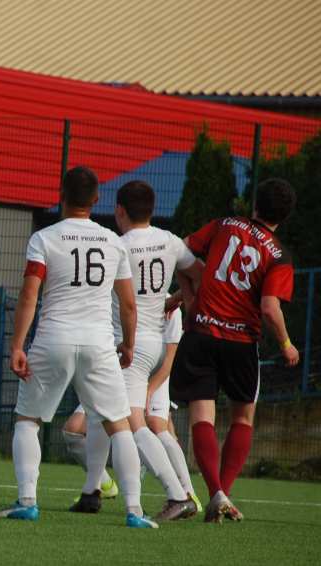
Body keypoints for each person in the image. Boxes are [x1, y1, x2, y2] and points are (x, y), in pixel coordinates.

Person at [0, 166, 157, 528]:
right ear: (97, 200)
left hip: (53, 339)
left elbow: (30, 294)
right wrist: (128, 345)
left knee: (28, 420)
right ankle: (135, 511)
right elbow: (129, 304)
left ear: (61, 195)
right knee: (120, 426)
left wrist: (17, 344)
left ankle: (27, 501)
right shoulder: (113, 241)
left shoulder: (45, 238)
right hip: (99, 343)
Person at [71, 180, 201, 521]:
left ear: (119, 210)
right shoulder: (169, 241)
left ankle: (178, 494)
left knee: (131, 421)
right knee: (103, 412)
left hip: (129, 343)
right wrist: (177, 298)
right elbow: (199, 273)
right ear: (153, 209)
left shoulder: (117, 244)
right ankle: (91, 491)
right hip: (156, 341)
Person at [170, 178, 299, 523]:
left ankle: (215, 493)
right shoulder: (280, 255)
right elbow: (270, 307)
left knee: (202, 417)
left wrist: (187, 296)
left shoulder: (225, 224)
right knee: (242, 418)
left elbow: (182, 252)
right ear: (284, 217)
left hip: (201, 333)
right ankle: (223, 493)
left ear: (255, 205)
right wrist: (286, 343)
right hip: (241, 344)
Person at [146, 312, 200, 510]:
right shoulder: (120, 293)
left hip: (155, 372)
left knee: (155, 425)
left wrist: (150, 389)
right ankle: (96, 485)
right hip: (128, 366)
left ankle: (187, 492)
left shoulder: (171, 309)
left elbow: (170, 358)